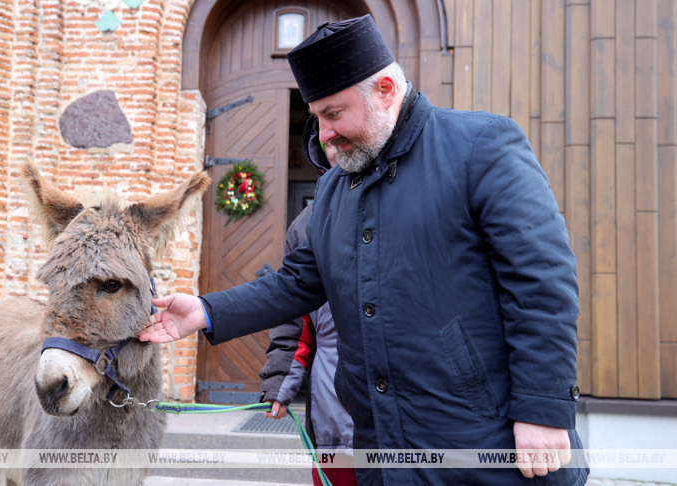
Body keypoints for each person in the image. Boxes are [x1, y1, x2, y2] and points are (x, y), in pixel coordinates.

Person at [139, 14, 588, 485]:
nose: (324, 134)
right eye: (317, 117)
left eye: (333, 114)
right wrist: (206, 311)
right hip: (379, 447)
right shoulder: (334, 189)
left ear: (386, 90)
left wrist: (543, 409)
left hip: (483, 442)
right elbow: (296, 283)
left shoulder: (480, 147)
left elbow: (542, 282)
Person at [260, 119, 356, 486]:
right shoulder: (306, 224)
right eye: (327, 142)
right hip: (333, 389)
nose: (336, 147)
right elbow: (293, 315)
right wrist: (281, 378)